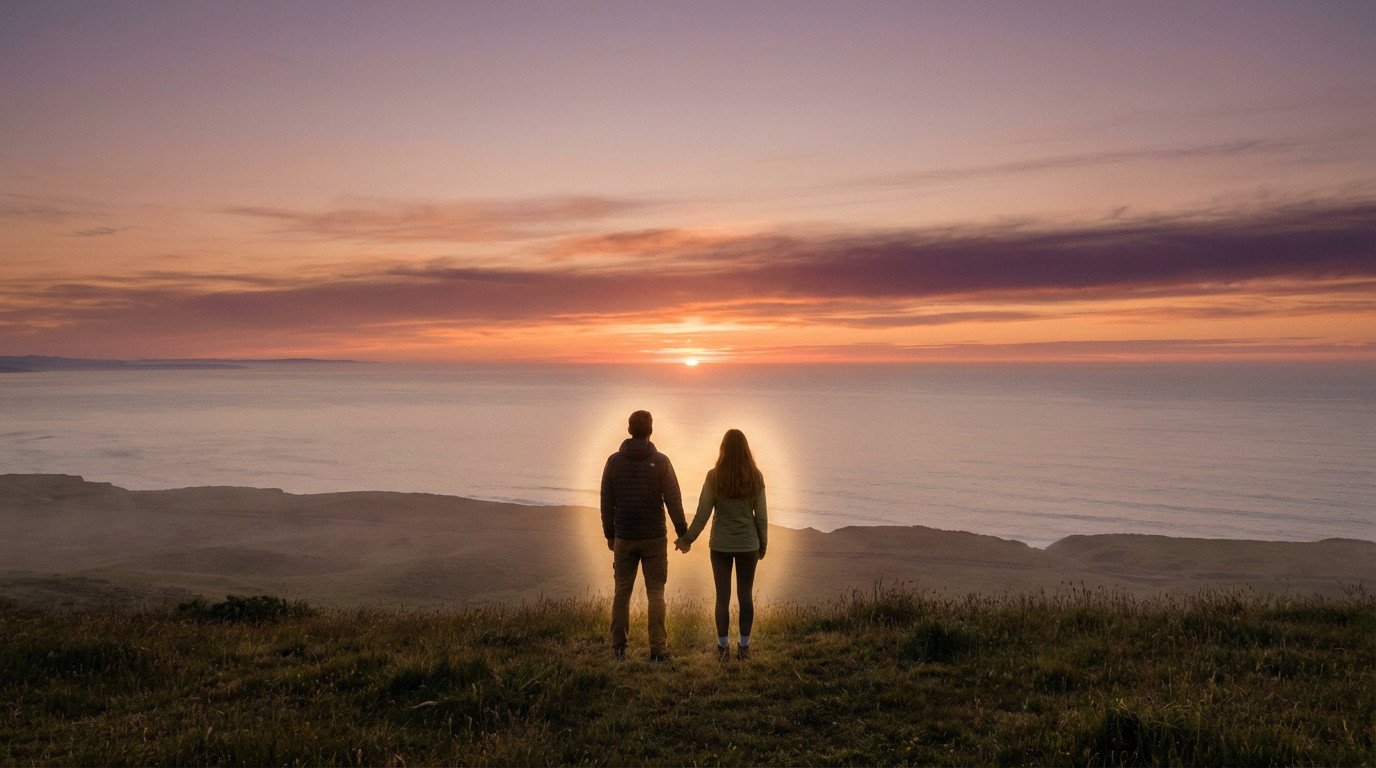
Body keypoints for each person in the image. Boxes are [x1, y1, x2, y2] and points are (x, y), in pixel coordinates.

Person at [600, 409, 688, 662]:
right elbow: (674, 501)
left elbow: (606, 501)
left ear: (629, 430)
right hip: (653, 537)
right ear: (650, 430)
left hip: (624, 537)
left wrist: (610, 534)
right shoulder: (661, 461)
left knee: (621, 593)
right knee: (656, 594)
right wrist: (683, 534)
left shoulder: (613, 462)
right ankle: (658, 649)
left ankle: (618, 649)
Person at [676, 428, 767, 662]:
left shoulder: (714, 476)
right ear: (746, 449)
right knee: (745, 596)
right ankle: (744, 648)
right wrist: (762, 544)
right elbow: (762, 517)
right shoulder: (755, 476)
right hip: (748, 545)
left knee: (722, 597)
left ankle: (722, 648)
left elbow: (702, 514)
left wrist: (687, 539)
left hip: (720, 546)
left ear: (723, 449)